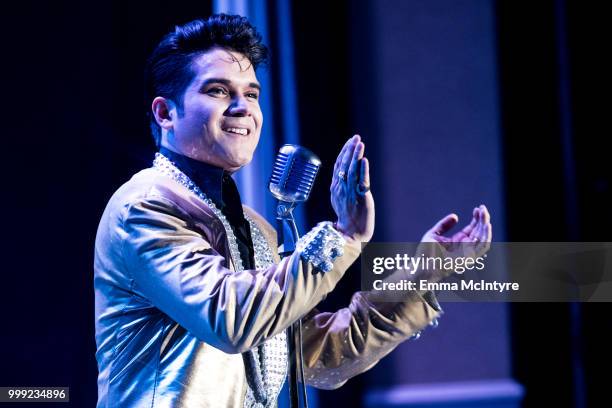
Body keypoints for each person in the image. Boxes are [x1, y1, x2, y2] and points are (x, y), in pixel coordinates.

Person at [94, 14, 492, 408]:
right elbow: (232, 318)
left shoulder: (255, 228)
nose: (242, 107)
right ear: (165, 113)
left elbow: (319, 355)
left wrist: (422, 274)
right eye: (217, 91)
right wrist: (342, 237)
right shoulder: (145, 205)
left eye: (251, 94)